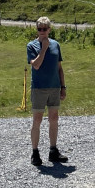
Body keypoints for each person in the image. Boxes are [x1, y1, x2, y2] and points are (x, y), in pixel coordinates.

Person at [27, 17, 68, 166]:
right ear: (37, 30)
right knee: (37, 120)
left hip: (54, 87)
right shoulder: (31, 46)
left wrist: (63, 87)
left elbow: (59, 68)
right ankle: (35, 152)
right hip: (39, 88)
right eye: (40, 29)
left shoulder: (56, 45)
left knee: (54, 118)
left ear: (50, 29)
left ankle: (53, 150)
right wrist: (43, 49)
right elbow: (35, 65)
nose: (42, 31)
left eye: (45, 28)